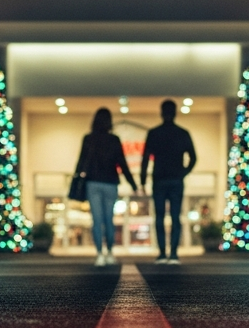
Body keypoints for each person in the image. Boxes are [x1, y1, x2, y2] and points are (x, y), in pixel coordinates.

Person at [74, 108, 139, 266]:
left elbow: (81, 162)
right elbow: (122, 164)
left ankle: (99, 254)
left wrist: (76, 181)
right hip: (110, 183)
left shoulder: (88, 139)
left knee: (96, 220)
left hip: (93, 183)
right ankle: (110, 252)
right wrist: (134, 184)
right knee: (109, 220)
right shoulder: (114, 140)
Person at [140, 99, 197, 264]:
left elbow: (145, 159)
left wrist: (142, 181)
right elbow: (193, 158)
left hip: (159, 180)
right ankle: (173, 254)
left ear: (161, 112)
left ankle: (162, 253)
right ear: (175, 113)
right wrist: (183, 173)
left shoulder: (154, 133)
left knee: (158, 217)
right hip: (175, 180)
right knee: (175, 217)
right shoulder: (182, 133)